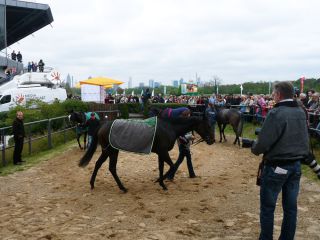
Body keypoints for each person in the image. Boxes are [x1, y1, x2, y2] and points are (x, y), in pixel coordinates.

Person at [251, 81, 309, 240]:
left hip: (276, 166)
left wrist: (255, 148)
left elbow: (263, 142)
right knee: (291, 208)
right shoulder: (300, 111)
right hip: (295, 165)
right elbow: (305, 139)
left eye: (273, 94)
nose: (272, 96)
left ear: (278, 94)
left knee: (268, 208)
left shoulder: (276, 113)